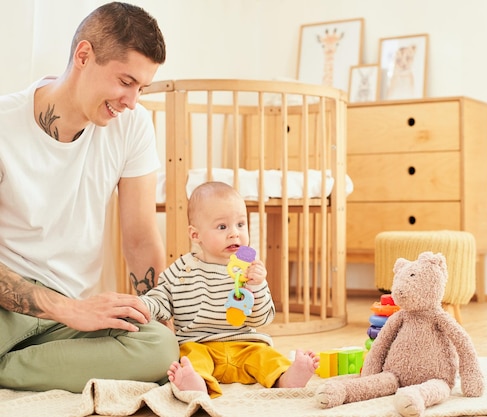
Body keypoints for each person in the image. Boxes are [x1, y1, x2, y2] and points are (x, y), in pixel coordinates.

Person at [0, 2, 179, 393]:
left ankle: (8, 369)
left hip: (68, 322)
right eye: (125, 81)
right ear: (84, 56)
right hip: (8, 304)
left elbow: (140, 238)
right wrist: (68, 308)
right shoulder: (3, 124)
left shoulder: (133, 126)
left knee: (159, 347)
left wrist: (163, 323)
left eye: (141, 88)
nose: (132, 100)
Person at [140, 181, 320, 397]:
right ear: (196, 235)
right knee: (189, 359)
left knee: (266, 356)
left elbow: (262, 319)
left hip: (245, 343)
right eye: (222, 227)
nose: (234, 234)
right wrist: (143, 305)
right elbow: (160, 299)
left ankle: (287, 379)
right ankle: (196, 384)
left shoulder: (249, 270)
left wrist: (257, 285)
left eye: (241, 225)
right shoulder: (181, 270)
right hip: (199, 344)